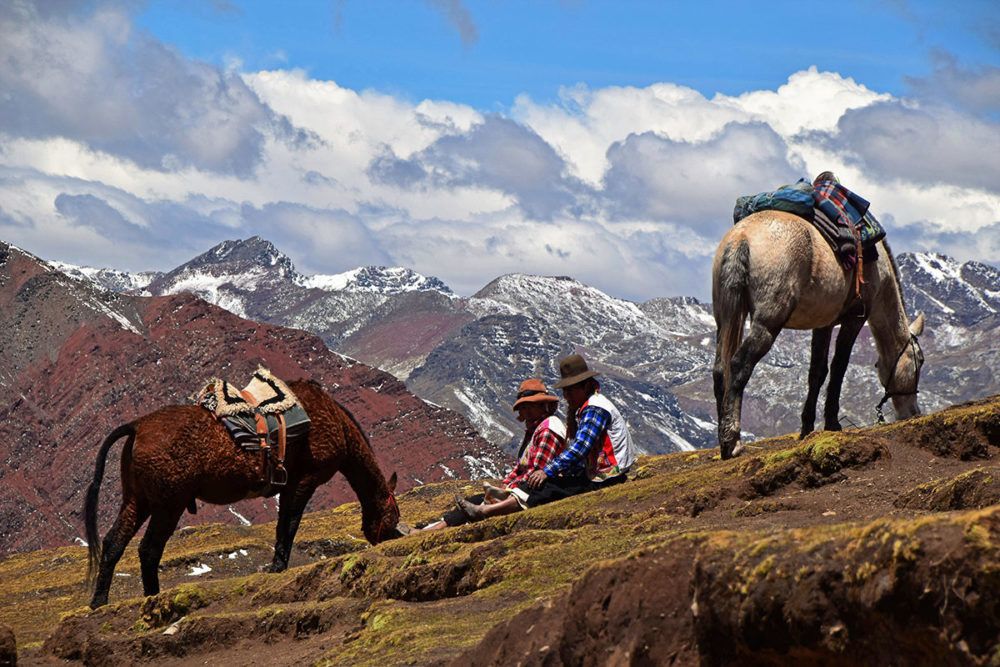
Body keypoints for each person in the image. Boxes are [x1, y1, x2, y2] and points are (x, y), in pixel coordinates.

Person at [457, 354, 635, 522]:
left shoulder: (595, 408)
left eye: (571, 390)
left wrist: (547, 471)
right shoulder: (589, 407)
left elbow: (581, 447)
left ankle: (486, 512)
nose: (567, 396)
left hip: (607, 476)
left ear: (586, 386)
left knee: (546, 487)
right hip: (598, 472)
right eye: (565, 391)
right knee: (552, 483)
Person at [414, 378, 566, 531]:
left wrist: (508, 489)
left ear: (542, 406)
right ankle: (429, 530)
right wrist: (505, 484)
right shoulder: (535, 430)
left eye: (530, 407)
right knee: (474, 499)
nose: (525, 412)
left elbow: (536, 471)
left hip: (536, 490)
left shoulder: (548, 429)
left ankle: (433, 530)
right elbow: (520, 468)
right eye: (524, 408)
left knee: (485, 502)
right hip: (524, 486)